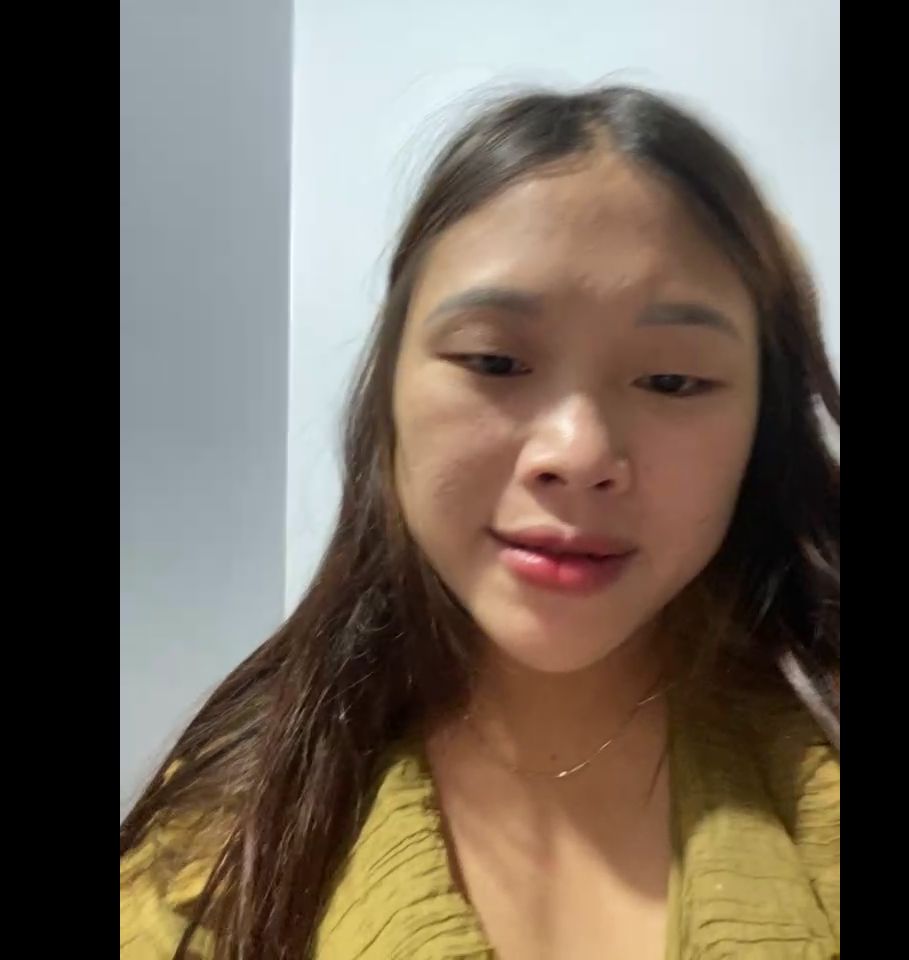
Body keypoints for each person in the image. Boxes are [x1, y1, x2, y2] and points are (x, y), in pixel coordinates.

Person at [120, 85, 840, 960]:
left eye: (673, 381)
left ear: (762, 427)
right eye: (495, 361)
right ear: (389, 392)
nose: (578, 452)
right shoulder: (216, 849)